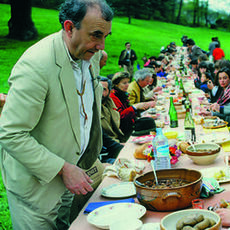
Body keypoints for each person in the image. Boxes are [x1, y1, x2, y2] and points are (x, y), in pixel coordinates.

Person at [0, 0, 113, 229]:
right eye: (96, 35)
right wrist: (63, 168)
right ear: (69, 27)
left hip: (75, 175)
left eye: (105, 37)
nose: (101, 45)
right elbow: (11, 133)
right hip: (37, 191)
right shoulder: (35, 65)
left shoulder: (89, 53)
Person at [110, 72, 151, 141]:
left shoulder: (122, 94)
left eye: (128, 82)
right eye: (124, 83)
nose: (127, 85)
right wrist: (135, 107)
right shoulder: (113, 97)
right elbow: (120, 116)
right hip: (123, 130)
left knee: (149, 122)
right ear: (116, 84)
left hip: (130, 124)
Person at [100, 77, 124, 141]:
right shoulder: (92, 109)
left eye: (103, 89)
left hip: (117, 140)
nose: (99, 93)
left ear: (110, 91)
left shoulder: (111, 104)